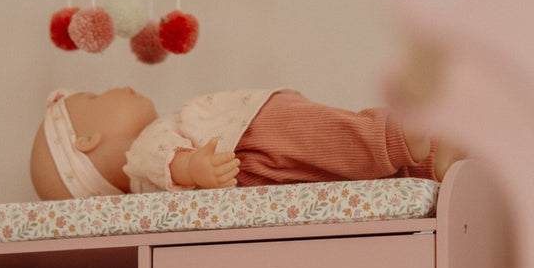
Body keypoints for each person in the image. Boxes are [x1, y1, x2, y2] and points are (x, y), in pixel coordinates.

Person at [30, 86, 460, 202]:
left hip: (247, 165)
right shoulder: (141, 150)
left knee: (337, 164)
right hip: (254, 132)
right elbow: (160, 157)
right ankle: (403, 137)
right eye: (98, 95)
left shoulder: (144, 177)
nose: (120, 86)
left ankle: (426, 163)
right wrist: (189, 167)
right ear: (87, 141)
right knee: (333, 136)